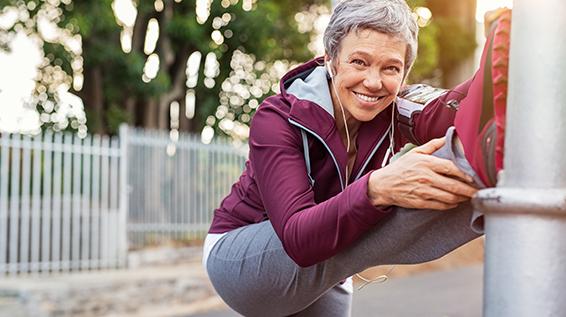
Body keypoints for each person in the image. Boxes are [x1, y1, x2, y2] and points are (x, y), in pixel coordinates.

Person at [203, 0, 510, 315]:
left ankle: (500, 165)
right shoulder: (280, 116)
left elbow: (446, 112)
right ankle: (486, 167)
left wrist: (516, 62)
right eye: (359, 62)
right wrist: (376, 188)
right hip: (242, 259)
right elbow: (298, 237)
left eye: (391, 68)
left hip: (331, 259)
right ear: (332, 60)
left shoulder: (394, 110)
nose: (374, 82)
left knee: (445, 152)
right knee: (400, 190)